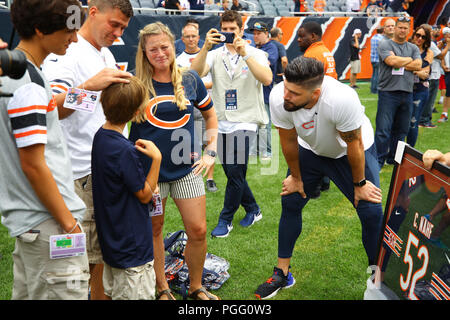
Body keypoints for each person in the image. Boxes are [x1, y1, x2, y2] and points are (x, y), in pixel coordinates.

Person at [254, 56, 383, 299]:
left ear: (315, 94)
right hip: (311, 150)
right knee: (291, 200)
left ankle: (378, 276)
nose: (285, 96)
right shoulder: (279, 94)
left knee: (370, 211)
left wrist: (359, 184)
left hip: (349, 152)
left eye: (294, 93)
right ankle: (282, 272)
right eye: (286, 88)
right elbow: (288, 139)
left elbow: (354, 143)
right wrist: (295, 176)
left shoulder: (340, 99)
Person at [42, 0, 134, 300]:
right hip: (76, 174)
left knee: (98, 257)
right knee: (72, 261)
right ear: (93, 12)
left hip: (100, 170)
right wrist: (90, 86)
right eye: (115, 24)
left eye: (123, 28)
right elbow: (50, 109)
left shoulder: (104, 53)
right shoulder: (65, 51)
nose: (118, 33)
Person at [0, 0, 90, 300]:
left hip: (33, 222)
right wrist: (68, 222)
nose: (74, 38)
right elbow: (33, 164)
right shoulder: (27, 84)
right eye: (69, 31)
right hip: (49, 222)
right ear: (40, 29)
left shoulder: (17, 75)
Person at [130, 22, 219, 300]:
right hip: (150, 173)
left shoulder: (190, 79)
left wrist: (210, 152)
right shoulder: (135, 83)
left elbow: (211, 117)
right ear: (144, 52)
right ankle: (162, 288)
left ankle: (195, 287)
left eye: (164, 47)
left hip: (186, 168)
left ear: (173, 46)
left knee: (199, 229)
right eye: (152, 49)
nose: (159, 53)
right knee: (154, 228)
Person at [191, 10, 272, 238]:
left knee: (235, 172)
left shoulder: (254, 52)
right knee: (233, 173)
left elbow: (267, 79)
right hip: (221, 120)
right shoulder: (215, 54)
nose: (227, 34)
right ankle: (253, 210)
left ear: (241, 31)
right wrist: (204, 47)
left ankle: (225, 220)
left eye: (232, 30)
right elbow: (194, 75)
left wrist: (245, 54)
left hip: (246, 120)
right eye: (224, 30)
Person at [91, 77, 160, 300]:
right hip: (133, 249)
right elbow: (144, 195)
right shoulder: (124, 150)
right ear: (136, 112)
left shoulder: (100, 137)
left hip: (112, 242)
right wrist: (157, 160)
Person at [297, 20, 338, 196]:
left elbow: (308, 85)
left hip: (319, 104)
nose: (298, 39)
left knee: (315, 145)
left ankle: (317, 184)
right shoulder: (325, 51)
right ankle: (326, 181)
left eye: (302, 36)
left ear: (313, 36)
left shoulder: (313, 54)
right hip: (331, 102)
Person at [374, 16, 421, 169]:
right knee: (383, 130)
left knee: (401, 130)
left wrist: (400, 60)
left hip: (407, 93)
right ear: (394, 28)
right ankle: (378, 161)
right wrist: (409, 61)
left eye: (405, 28)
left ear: (409, 30)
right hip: (388, 93)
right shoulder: (384, 44)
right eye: (400, 27)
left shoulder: (413, 47)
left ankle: (394, 160)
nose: (402, 30)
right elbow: (391, 62)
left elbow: (418, 65)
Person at [176, 23, 218, 193]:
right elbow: (181, 84)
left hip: (208, 107)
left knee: (210, 142)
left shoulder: (209, 56)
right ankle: (193, 175)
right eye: (188, 36)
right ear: (182, 39)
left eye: (194, 36)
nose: (191, 39)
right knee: (191, 144)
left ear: (199, 37)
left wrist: (198, 85)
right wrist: (201, 85)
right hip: (189, 108)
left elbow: (218, 81)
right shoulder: (179, 60)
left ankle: (210, 178)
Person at [249, 21, 278, 160]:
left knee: (265, 123)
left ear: (267, 34)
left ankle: (267, 151)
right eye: (254, 33)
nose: (255, 36)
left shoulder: (271, 47)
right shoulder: (254, 48)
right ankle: (255, 151)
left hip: (265, 92)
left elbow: (266, 63)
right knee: (254, 122)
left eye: (259, 33)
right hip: (254, 91)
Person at [406, 25, 433, 147]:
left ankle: (409, 152)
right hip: (404, 88)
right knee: (400, 122)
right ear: (414, 35)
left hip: (420, 91)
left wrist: (410, 68)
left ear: (426, 39)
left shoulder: (429, 52)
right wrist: (417, 70)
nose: (420, 38)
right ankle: (395, 152)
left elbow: (425, 74)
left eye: (423, 37)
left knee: (413, 121)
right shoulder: (406, 48)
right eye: (418, 35)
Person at [420, 27, 449, 128]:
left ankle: (423, 119)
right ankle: (425, 120)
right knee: (430, 99)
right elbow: (441, 56)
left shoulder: (429, 43)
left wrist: (440, 47)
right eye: (431, 31)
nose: (434, 32)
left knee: (427, 98)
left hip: (431, 73)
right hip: (433, 74)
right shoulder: (430, 43)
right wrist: (448, 45)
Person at [439, 27, 450, 123]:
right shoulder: (443, 44)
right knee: (448, 93)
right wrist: (443, 65)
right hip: (447, 71)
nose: (447, 35)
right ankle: (444, 114)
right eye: (445, 34)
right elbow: (441, 56)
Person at [370, 26, 384, 94]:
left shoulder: (373, 37)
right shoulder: (381, 39)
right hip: (378, 59)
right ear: (383, 31)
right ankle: (376, 90)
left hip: (372, 58)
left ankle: (373, 89)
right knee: (378, 75)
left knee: (374, 75)